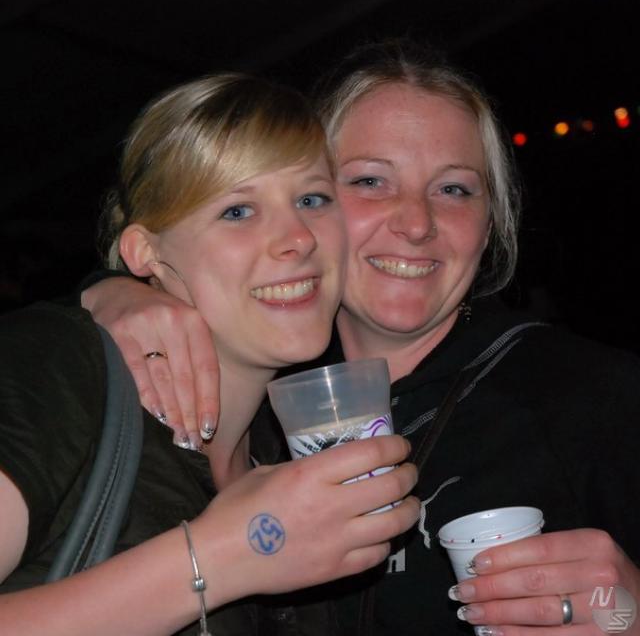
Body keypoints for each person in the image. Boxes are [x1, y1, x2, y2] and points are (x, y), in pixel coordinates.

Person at [82, 40, 640, 635]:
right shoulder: (249, 401)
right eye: (371, 181)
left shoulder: (592, 396)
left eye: (454, 189)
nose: (417, 223)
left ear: (489, 225)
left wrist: (631, 616)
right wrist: (112, 291)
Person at [0, 72, 421, 636]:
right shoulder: (61, 372)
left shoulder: (287, 452)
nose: (299, 237)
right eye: (238, 211)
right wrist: (228, 554)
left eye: (311, 199)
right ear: (146, 253)